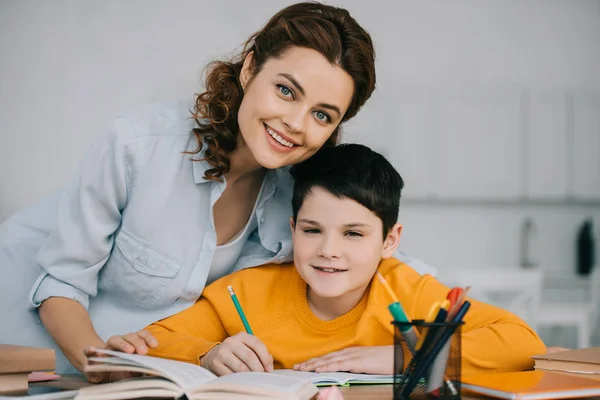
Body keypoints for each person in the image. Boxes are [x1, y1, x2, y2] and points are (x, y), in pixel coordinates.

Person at [0, 2, 435, 375]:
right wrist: (99, 366)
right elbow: (60, 283)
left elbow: (376, 255)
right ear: (249, 68)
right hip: (32, 349)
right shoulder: (138, 146)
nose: (296, 124)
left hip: (153, 371)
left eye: (322, 115)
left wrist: (405, 353)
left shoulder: (300, 191)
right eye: (286, 91)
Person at [97, 144, 546, 379]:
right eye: (313, 231)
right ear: (293, 231)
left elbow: (523, 343)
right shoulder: (248, 292)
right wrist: (210, 353)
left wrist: (397, 355)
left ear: (390, 241)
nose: (329, 250)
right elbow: (149, 343)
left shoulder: (405, 290)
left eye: (353, 234)